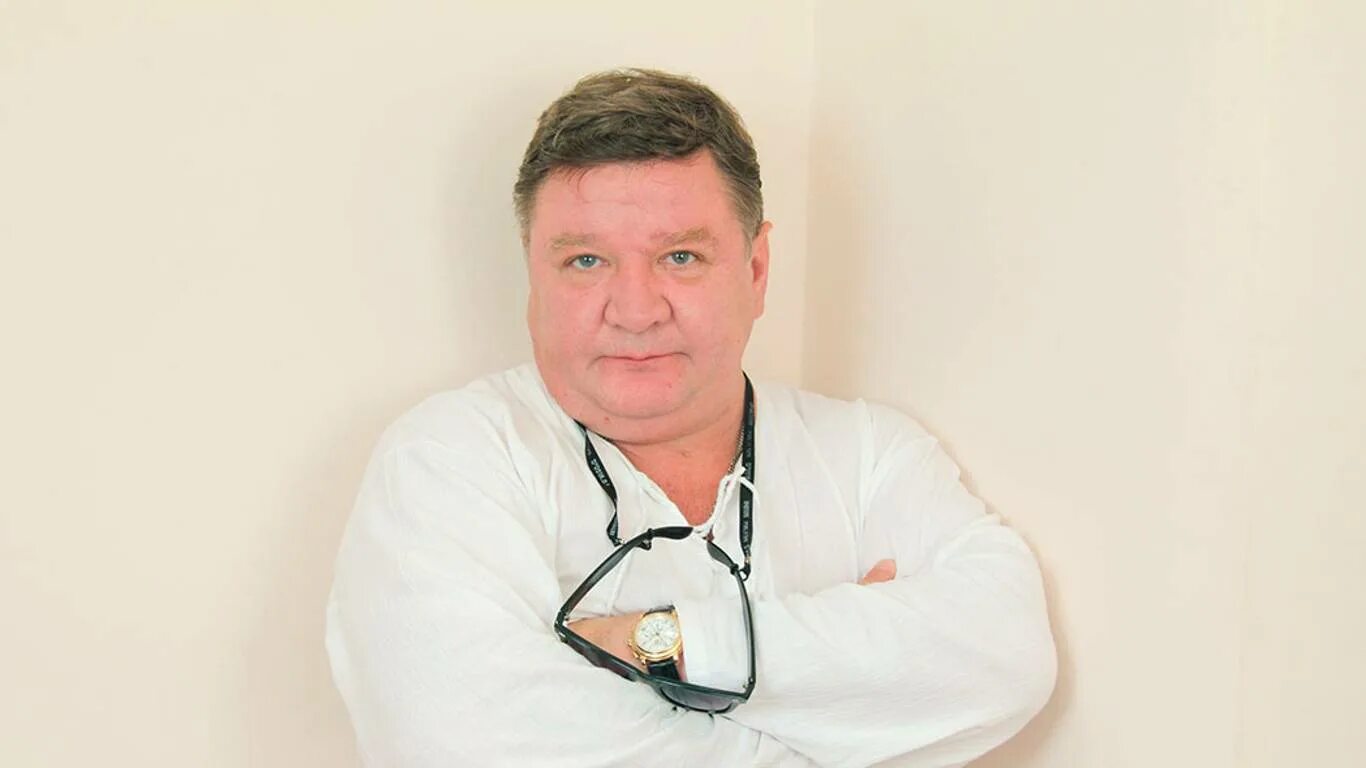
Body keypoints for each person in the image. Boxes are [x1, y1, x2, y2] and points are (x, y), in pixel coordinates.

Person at [326, 67, 1056, 767]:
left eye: (680, 257)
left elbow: (1007, 654)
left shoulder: (870, 456)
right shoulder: (450, 460)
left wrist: (661, 646)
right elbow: (464, 747)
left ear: (756, 270)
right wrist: (850, 699)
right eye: (585, 262)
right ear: (533, 275)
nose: (635, 311)